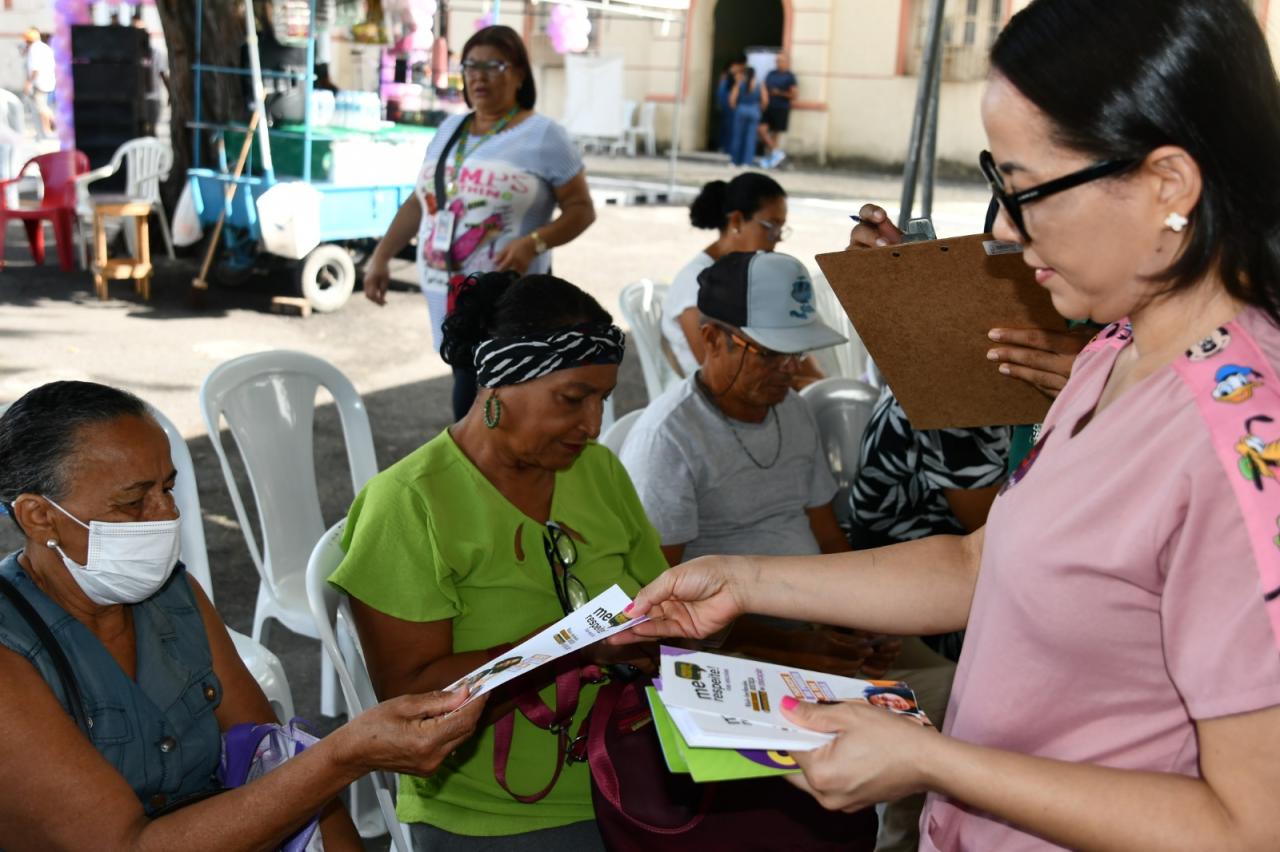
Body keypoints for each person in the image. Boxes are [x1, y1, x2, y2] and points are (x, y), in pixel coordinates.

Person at [617, 1, 1280, 848]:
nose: (1001, 229)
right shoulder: (1115, 350)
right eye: (997, 186)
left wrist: (932, 761)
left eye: (1026, 191)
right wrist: (744, 580)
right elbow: (981, 563)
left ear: (1167, 186)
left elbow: (1249, 828)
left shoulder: (1242, 444)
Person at [0, 381, 485, 851]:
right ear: (39, 517)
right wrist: (344, 756)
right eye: (132, 502)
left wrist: (336, 765)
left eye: (168, 488)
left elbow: (274, 763)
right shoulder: (11, 652)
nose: (166, 515)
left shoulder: (173, 597)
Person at [622, 251, 957, 852]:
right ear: (711, 338)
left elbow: (827, 536)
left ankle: (904, 833)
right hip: (739, 647)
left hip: (816, 619)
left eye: (795, 353)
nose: (789, 369)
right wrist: (798, 646)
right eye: (769, 353)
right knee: (952, 699)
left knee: (967, 679)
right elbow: (664, 609)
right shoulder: (669, 437)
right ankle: (901, 836)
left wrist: (860, 619)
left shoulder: (793, 411)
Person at [329, 272, 664, 850]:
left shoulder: (598, 470)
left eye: (603, 400)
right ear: (501, 382)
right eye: (573, 398)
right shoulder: (409, 503)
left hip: (632, 766)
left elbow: (659, 599)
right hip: (492, 811)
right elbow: (412, 700)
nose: (593, 425)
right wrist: (573, 647)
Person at [363, 25, 596, 422]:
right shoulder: (450, 129)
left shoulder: (544, 136)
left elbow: (581, 210)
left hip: (508, 299)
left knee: (493, 400)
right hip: (450, 292)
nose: (479, 76)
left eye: (493, 66)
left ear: (519, 74)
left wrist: (534, 242)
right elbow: (421, 202)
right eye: (471, 66)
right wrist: (381, 256)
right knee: (468, 382)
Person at [661, 173, 789, 376]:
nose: (778, 237)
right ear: (737, 221)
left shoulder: (748, 273)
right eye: (771, 226)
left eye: (781, 228)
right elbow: (715, 369)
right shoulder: (694, 283)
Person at [760, 53, 797, 168]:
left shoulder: (790, 77)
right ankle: (778, 154)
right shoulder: (771, 74)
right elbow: (764, 86)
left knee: (775, 135)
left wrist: (779, 93)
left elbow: (794, 95)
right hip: (768, 107)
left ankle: (772, 160)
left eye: (780, 61)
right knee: (762, 130)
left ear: (787, 62)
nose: (778, 63)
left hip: (781, 107)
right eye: (777, 61)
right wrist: (764, 98)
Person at [727, 64, 767, 167]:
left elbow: (732, 100)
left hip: (741, 110)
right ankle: (746, 162)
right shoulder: (759, 84)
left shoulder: (739, 84)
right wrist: (759, 109)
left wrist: (737, 108)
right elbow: (765, 100)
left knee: (737, 136)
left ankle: (734, 161)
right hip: (754, 110)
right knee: (750, 138)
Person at [21, 28, 54, 139]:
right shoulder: (45, 47)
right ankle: (51, 125)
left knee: (41, 107)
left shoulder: (34, 49)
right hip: (48, 80)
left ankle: (47, 131)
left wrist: (29, 83)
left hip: (39, 82)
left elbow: (35, 69)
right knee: (43, 106)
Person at [714, 56, 745, 154]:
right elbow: (721, 92)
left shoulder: (736, 76)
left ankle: (728, 147)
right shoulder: (726, 76)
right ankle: (725, 146)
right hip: (728, 103)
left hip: (731, 103)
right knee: (727, 126)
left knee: (730, 126)